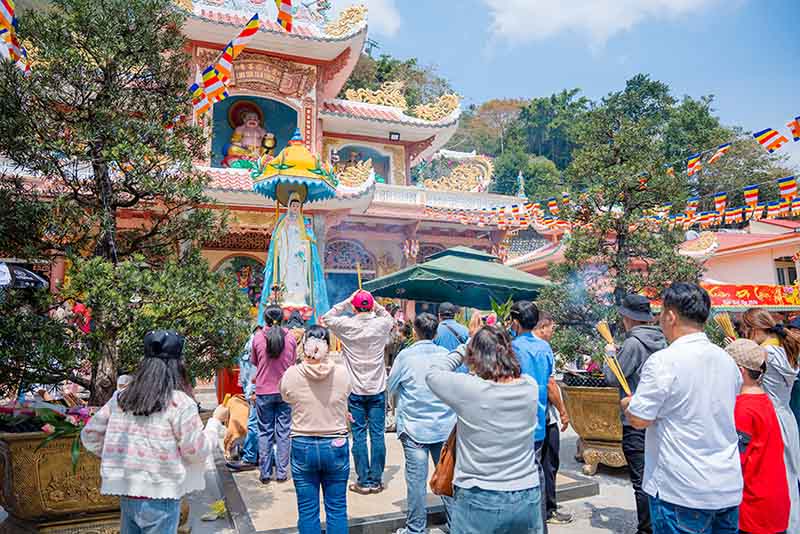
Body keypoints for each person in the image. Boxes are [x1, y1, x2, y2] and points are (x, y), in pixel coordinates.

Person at [623, 282, 742, 534]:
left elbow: (639, 419)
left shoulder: (664, 361)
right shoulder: (727, 360)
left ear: (670, 316)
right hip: (727, 485)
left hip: (681, 490)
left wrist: (629, 405)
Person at [81, 330, 229, 534]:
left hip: (128, 494)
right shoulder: (180, 403)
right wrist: (215, 422)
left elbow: (90, 435)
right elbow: (196, 450)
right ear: (178, 366)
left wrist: (120, 455)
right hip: (162, 497)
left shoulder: (122, 397)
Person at [426, 326, 543, 533]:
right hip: (526, 493)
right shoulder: (530, 387)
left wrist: (465, 346)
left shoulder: (469, 389)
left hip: (479, 495)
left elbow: (433, 373)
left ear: (475, 356)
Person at [602, 295, 666, 534]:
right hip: (657, 417)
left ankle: (646, 529)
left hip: (635, 418)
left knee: (641, 480)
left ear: (628, 317)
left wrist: (610, 355)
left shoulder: (633, 344)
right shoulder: (662, 340)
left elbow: (612, 377)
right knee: (658, 477)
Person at [387, 313, 455, 534]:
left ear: (415, 333)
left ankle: (416, 528)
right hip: (444, 427)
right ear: (436, 333)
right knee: (447, 477)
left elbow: (391, 385)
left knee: (416, 482)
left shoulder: (405, 357)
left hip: (414, 427)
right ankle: (456, 525)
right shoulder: (446, 355)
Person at [279, 326, 352, 534]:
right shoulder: (341, 373)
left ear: (304, 346)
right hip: (336, 442)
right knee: (337, 509)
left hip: (303, 443)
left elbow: (285, 396)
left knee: (307, 511)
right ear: (328, 346)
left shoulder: (292, 374)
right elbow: (347, 393)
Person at [321, 289, 394, 494]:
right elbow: (387, 316)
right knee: (377, 435)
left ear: (354, 308)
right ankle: (376, 480)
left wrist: (348, 300)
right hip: (377, 389)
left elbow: (327, 317)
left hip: (355, 390)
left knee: (359, 435)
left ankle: (363, 480)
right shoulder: (381, 324)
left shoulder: (347, 325)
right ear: (371, 307)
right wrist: (373, 303)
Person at [741, 308, 800, 531]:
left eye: (745, 329)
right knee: (790, 475)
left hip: (769, 418)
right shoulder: (784, 349)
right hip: (786, 416)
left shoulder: (765, 353)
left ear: (754, 329)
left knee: (773, 477)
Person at [725, 339, 790, 534]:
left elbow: (736, 459)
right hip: (775, 502)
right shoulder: (764, 400)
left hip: (753, 507)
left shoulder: (742, 409)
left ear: (740, 371)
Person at [510, 300, 554, 533]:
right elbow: (549, 381)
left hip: (516, 422)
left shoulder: (512, 348)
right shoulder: (545, 348)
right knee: (537, 473)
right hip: (539, 419)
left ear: (515, 322)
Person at [533, 312, 573, 526]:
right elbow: (550, 385)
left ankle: (541, 509)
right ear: (542, 327)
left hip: (529, 417)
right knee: (548, 464)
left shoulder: (518, 346)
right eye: (552, 328)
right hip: (546, 418)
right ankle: (548, 510)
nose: (552, 332)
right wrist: (563, 411)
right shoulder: (543, 349)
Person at [252, 305, 297, 484]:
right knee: (284, 432)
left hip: (264, 391)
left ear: (265, 319)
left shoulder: (257, 337)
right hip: (285, 390)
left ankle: (265, 473)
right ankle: (281, 473)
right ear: (283, 318)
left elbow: (255, 361)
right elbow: (292, 362)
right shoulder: (290, 337)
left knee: (265, 432)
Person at [227, 326, 261, 472]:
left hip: (256, 391)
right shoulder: (250, 342)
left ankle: (250, 458)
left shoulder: (253, 342)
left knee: (254, 424)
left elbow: (253, 370)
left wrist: (252, 391)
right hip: (255, 390)